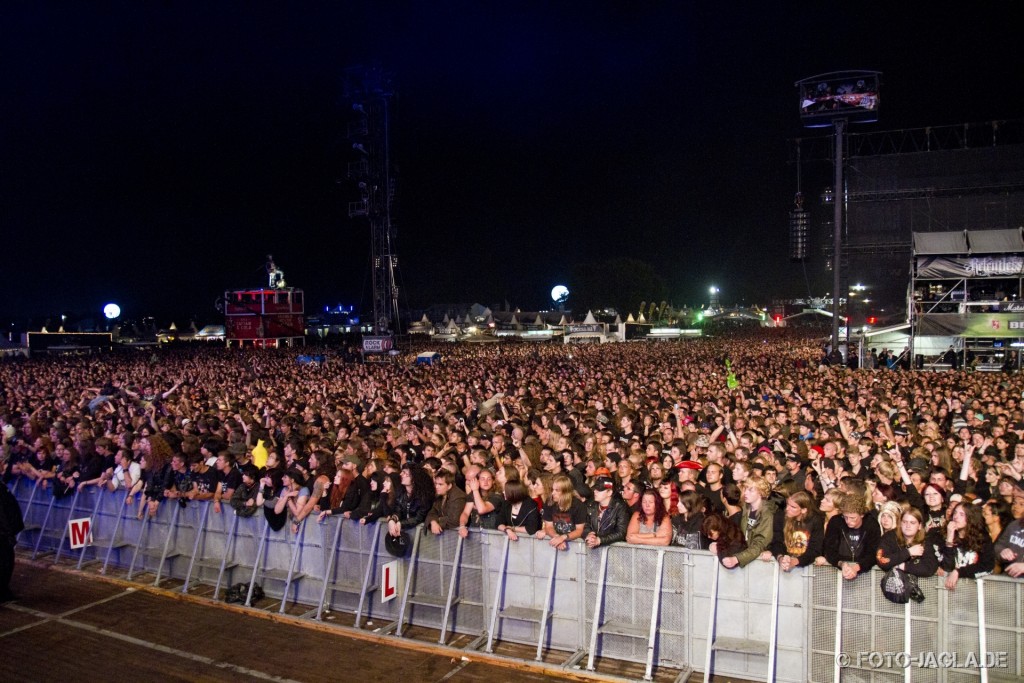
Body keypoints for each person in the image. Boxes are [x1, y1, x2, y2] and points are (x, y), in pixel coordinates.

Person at [722, 476, 776, 569]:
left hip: (760, 563)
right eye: (746, 489)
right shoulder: (744, 509)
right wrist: (719, 545)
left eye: (751, 490)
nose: (745, 493)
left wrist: (737, 559)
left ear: (761, 493)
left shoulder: (767, 514)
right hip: (746, 556)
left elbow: (760, 543)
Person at [940, 501, 995, 590]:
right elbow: (947, 567)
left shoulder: (982, 539)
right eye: (955, 513)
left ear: (971, 518)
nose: (956, 517)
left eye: (962, 514)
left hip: (974, 590)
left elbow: (987, 566)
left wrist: (959, 572)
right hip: (949, 590)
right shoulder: (944, 536)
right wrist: (949, 538)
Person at [824, 496, 880, 580]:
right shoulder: (836, 522)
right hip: (837, 571)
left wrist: (856, 567)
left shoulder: (871, 525)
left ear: (862, 514)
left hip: (864, 574)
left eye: (852, 518)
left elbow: (872, 554)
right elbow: (829, 550)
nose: (848, 521)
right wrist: (841, 564)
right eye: (845, 517)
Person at [875, 507, 939, 579]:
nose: (908, 526)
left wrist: (904, 566)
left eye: (912, 523)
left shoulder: (926, 540)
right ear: (900, 523)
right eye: (905, 522)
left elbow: (930, 568)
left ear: (919, 526)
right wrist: (908, 552)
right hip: (890, 583)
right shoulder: (889, 537)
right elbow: (881, 560)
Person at [773, 491, 824, 571]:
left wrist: (795, 561)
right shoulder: (781, 516)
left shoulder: (815, 520)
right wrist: (780, 558)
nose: (787, 509)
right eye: (787, 504)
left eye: (793, 507)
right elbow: (777, 541)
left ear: (803, 510)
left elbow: (815, 549)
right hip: (784, 563)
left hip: (806, 566)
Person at [538, 474, 587, 550]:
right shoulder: (550, 501)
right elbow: (548, 526)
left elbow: (579, 530)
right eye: (552, 489)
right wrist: (557, 538)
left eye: (557, 490)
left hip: (574, 544)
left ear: (565, 492)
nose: (553, 493)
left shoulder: (578, 505)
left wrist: (563, 538)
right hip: (556, 540)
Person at [1, 458, 25, 603]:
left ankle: (4, 590)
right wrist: (7, 533)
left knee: (6, 563)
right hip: (3, 534)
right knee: (4, 563)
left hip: (5, 533)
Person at [583, 473, 630, 548]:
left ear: (609, 492)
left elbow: (621, 532)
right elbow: (586, 525)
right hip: (593, 551)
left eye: (599, 490)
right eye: (595, 489)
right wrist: (589, 534)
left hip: (614, 551)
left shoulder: (620, 507)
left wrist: (600, 540)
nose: (595, 491)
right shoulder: (591, 505)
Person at [426, 469, 467, 535]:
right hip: (447, 536)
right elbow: (432, 512)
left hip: (458, 536)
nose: (436, 487)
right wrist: (433, 522)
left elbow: (454, 521)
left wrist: (438, 520)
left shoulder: (458, 497)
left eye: (440, 484)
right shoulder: (439, 495)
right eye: (436, 484)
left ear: (449, 486)